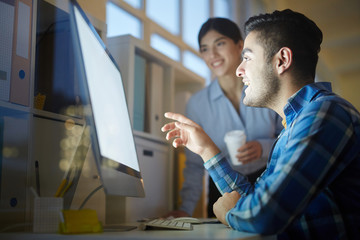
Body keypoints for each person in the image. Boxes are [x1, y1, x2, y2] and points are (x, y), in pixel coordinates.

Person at [161, 9, 360, 239]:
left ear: (282, 60)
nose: (239, 70)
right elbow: (255, 199)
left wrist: (229, 214)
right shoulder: (292, 127)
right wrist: (207, 150)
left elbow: (263, 215)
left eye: (247, 58)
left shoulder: (324, 114)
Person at [166, 18, 282, 218]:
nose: (212, 55)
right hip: (222, 189)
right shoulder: (197, 103)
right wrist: (185, 208)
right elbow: (194, 165)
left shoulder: (266, 89)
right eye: (204, 49)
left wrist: (263, 148)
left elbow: (291, 139)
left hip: (269, 179)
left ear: (240, 45)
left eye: (219, 43)